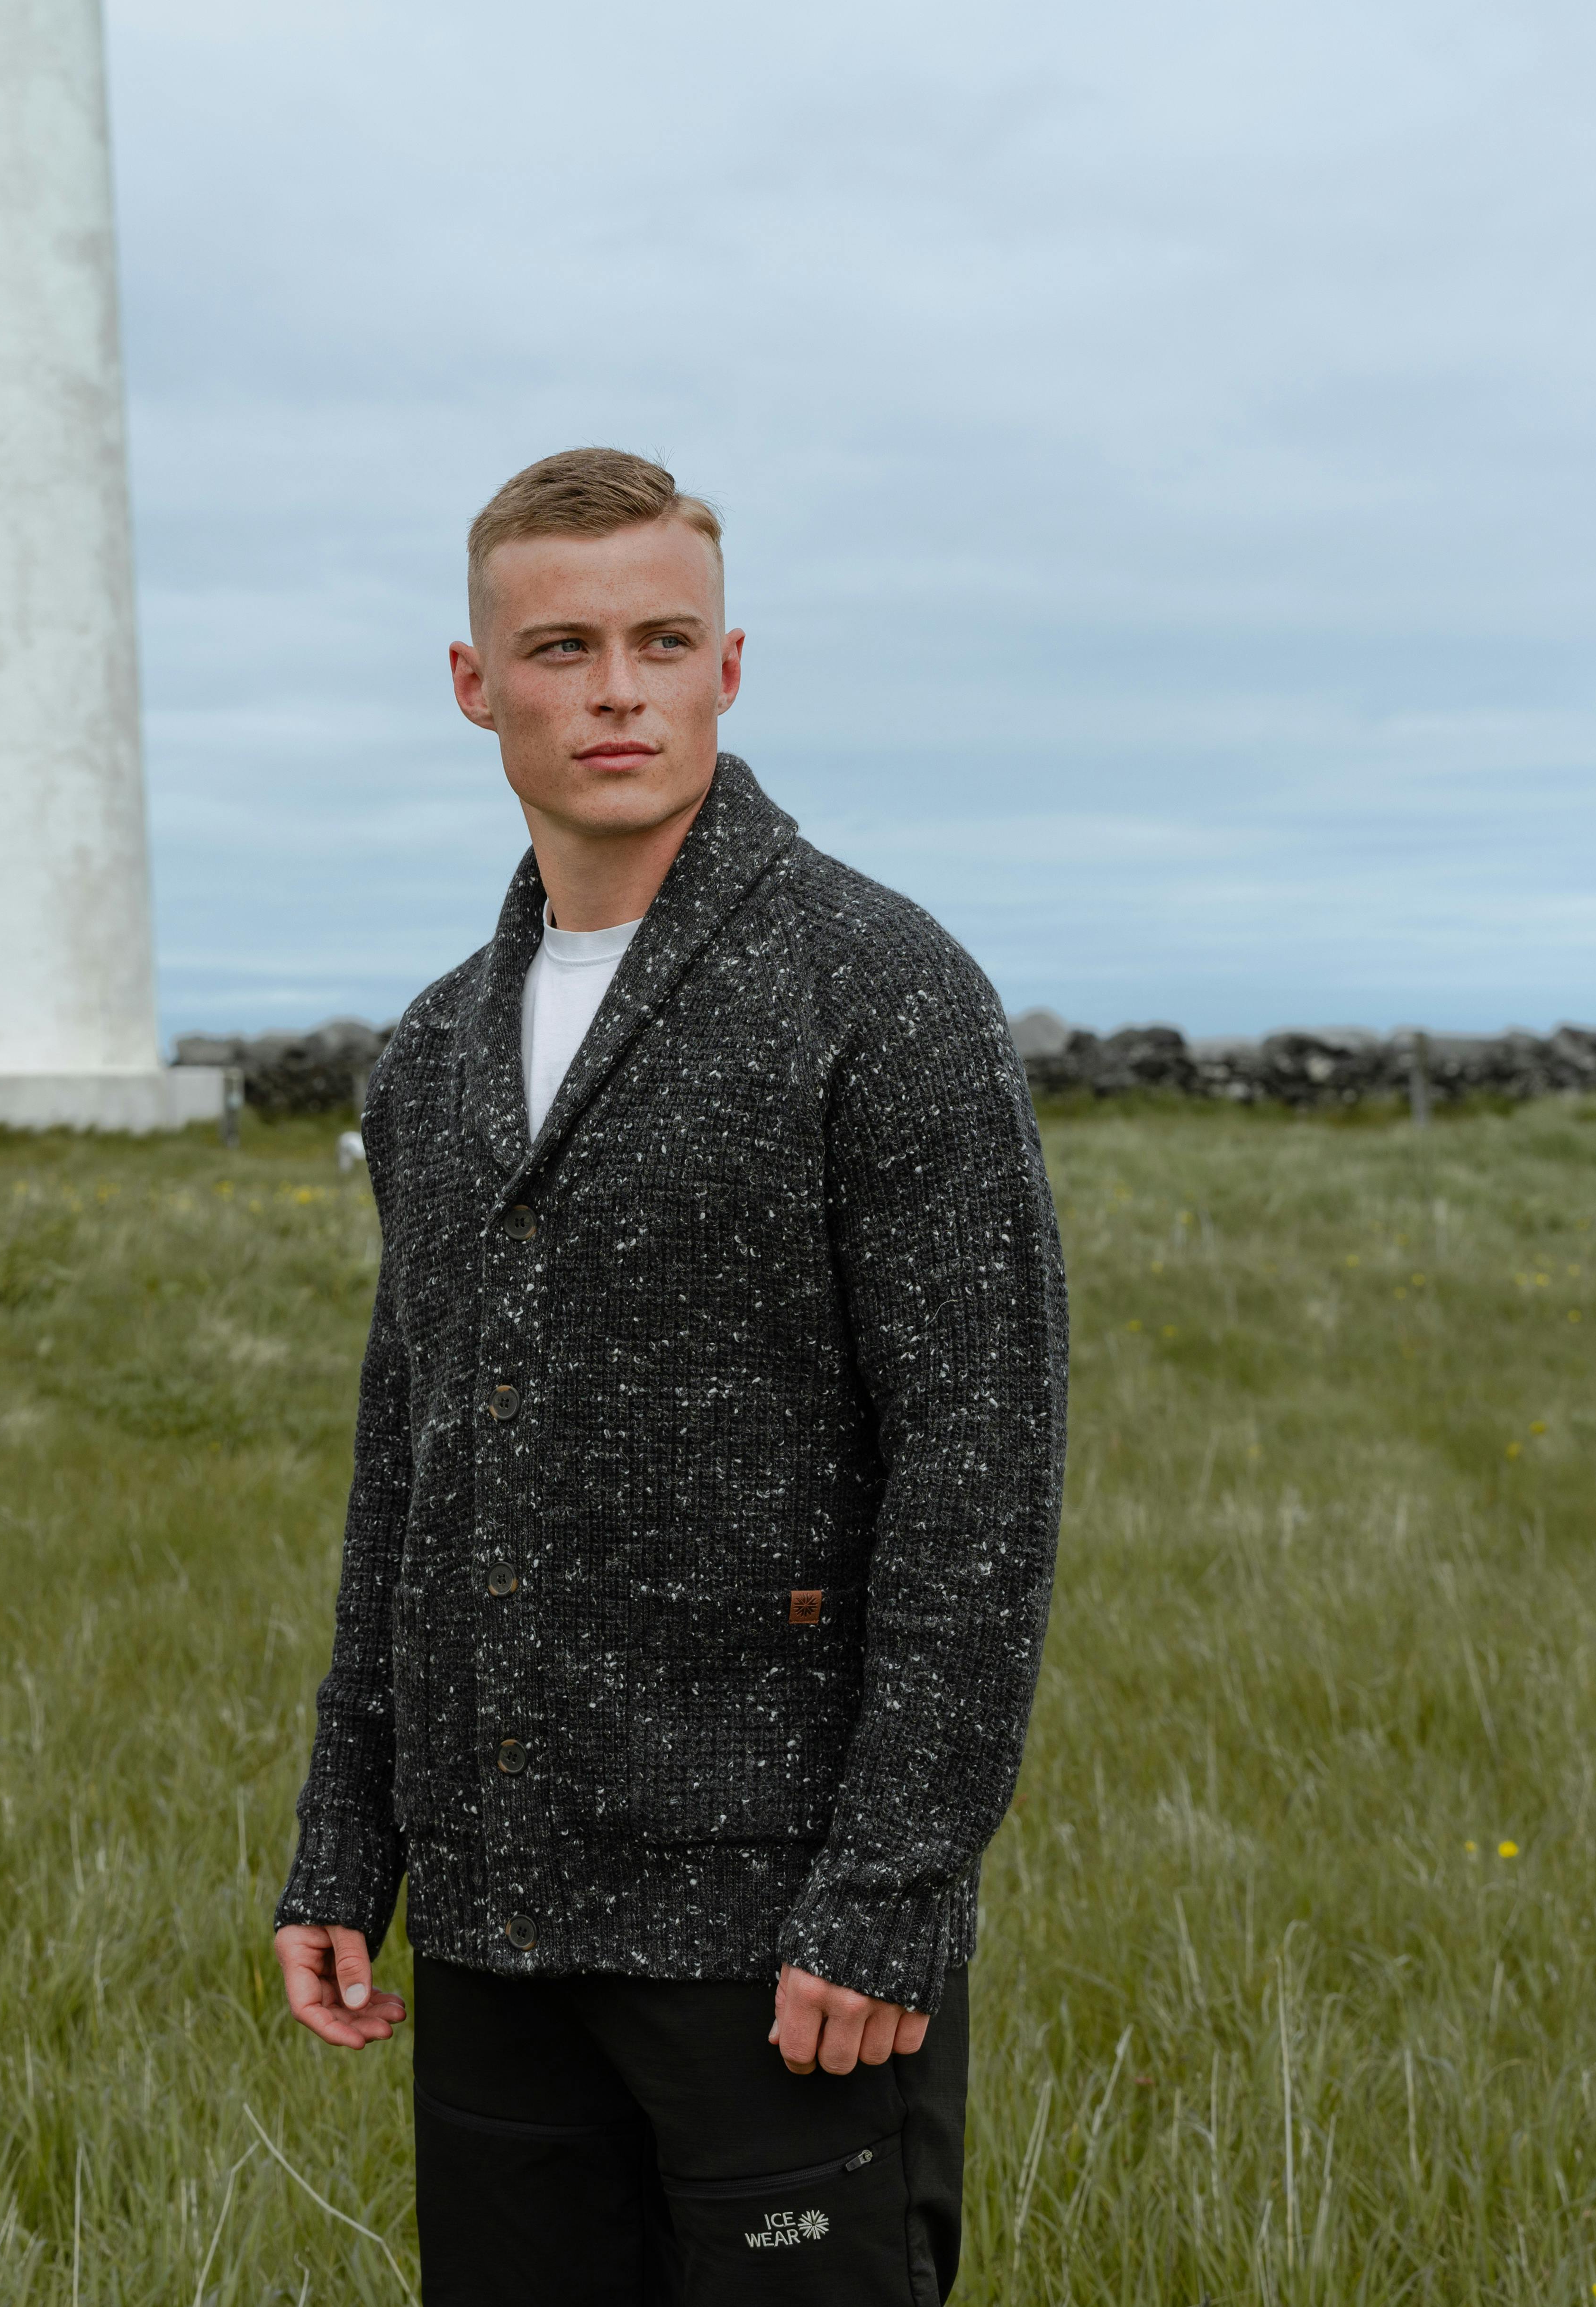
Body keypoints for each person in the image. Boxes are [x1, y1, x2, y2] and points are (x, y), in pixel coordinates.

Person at [271, 448, 1067, 2304]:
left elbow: (979, 1465)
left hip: (777, 1927)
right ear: (477, 684)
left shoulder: (879, 989)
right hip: (489, 1907)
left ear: (728, 666)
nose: (613, 687)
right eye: (559, 645)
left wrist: (889, 1890)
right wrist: (343, 1840)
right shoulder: (433, 1053)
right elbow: (411, 1469)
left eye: (661, 640)